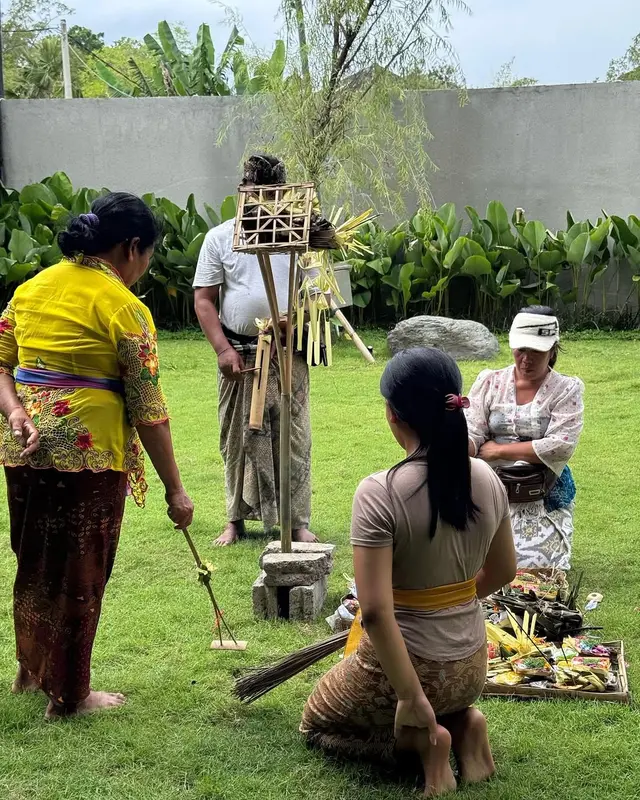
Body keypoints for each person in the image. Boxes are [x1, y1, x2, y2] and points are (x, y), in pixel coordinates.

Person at [0, 193, 194, 718]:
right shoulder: (125, 308)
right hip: (87, 457)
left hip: (23, 449)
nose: (145, 266)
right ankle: (69, 696)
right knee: (80, 573)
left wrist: (16, 410)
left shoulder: (30, 289)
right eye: (148, 254)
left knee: (35, 561)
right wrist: (176, 490)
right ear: (131, 248)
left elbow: (0, 364)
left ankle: (30, 670)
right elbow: (149, 411)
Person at [300, 348, 517, 797]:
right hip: (472, 665)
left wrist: (410, 697)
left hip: (408, 668)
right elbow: (504, 570)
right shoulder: (486, 476)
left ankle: (425, 744)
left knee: (316, 723)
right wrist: (450, 603)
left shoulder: (379, 492)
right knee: (436, 698)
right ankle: (463, 723)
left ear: (393, 414)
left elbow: (377, 614)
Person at [194, 154, 315, 546]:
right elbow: (204, 300)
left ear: (282, 195)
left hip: (288, 354)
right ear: (242, 193)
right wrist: (222, 350)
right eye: (254, 195)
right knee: (237, 438)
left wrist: (295, 323)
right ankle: (235, 519)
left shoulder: (300, 238)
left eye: (270, 196)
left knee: (293, 437)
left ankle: (296, 522)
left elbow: (318, 295)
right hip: (240, 354)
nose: (262, 203)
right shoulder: (220, 238)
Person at [465, 307, 584, 572]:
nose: (526, 359)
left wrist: (499, 451)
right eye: (521, 350)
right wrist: (462, 445)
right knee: (477, 565)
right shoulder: (490, 382)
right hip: (491, 488)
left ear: (552, 350)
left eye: (536, 351)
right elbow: (473, 429)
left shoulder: (567, 389)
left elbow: (560, 445)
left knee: (537, 571)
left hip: (542, 490)